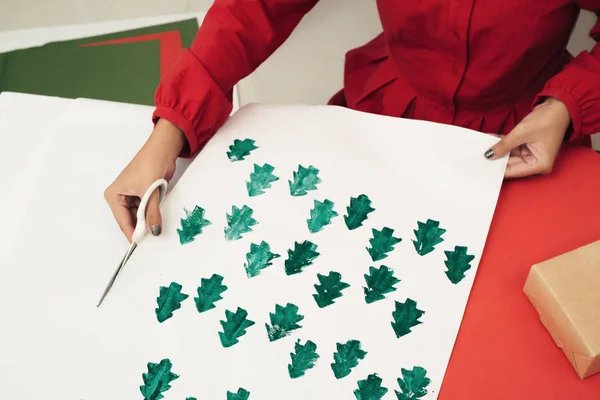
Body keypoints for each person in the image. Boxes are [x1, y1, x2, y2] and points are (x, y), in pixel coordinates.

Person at [105, 0, 600, 242]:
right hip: (384, 111)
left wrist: (567, 104)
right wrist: (172, 125)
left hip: (532, 131)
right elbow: (253, 9)